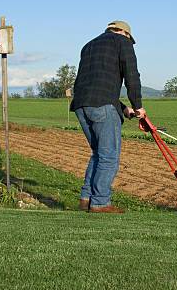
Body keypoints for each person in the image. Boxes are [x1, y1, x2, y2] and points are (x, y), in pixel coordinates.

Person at [70, 20, 146, 213]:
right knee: (109, 157)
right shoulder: (122, 42)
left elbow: (92, 84)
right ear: (125, 33)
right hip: (101, 106)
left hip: (81, 105)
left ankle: (86, 199)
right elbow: (132, 75)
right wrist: (138, 106)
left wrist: (123, 108)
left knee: (98, 154)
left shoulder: (88, 46)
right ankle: (100, 203)